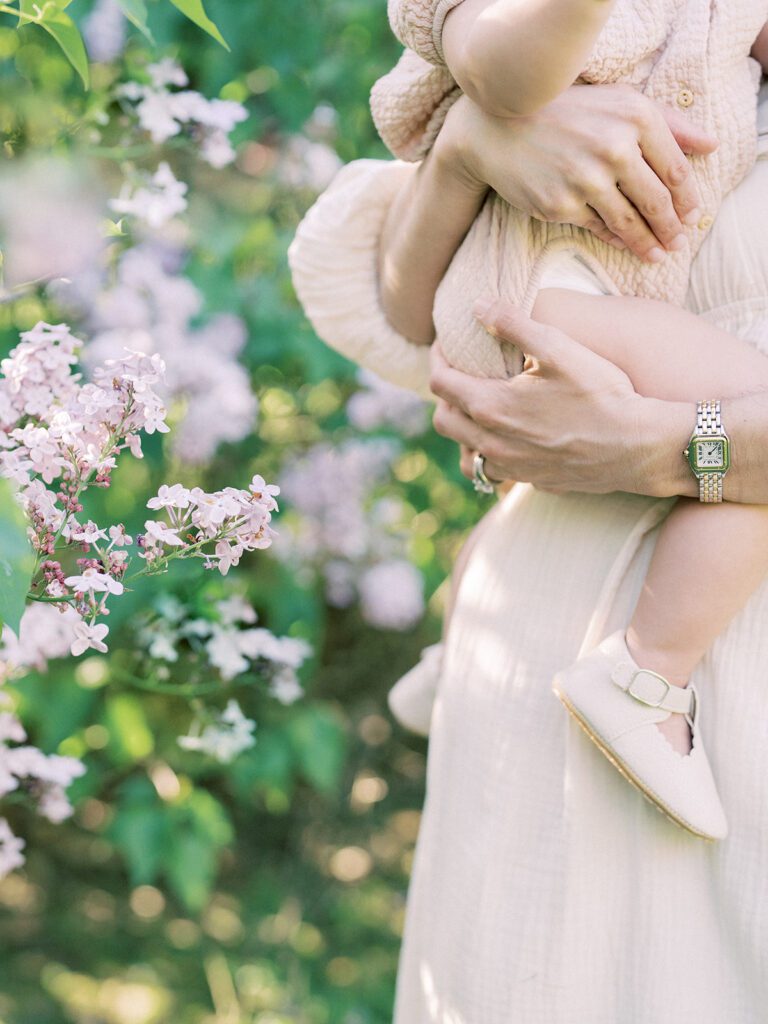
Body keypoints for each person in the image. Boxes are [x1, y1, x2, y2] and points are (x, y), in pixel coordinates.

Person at [289, 78, 768, 1021]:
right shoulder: (669, 51)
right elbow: (421, 315)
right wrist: (471, 146)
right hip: (528, 663)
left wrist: (669, 449)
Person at [366, 0, 768, 841]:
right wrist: (469, 148)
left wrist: (661, 450)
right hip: (544, 302)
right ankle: (646, 674)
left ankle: (453, 653)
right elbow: (403, 304)